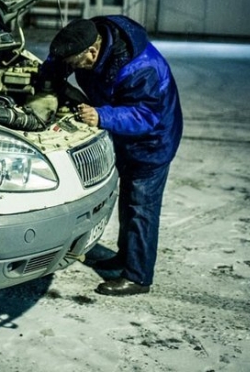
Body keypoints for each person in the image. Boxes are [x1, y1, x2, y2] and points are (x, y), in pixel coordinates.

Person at [41, 16, 182, 296]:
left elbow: (146, 115)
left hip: (152, 143)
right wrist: (46, 75)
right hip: (126, 138)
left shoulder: (141, 69)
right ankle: (124, 257)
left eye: (75, 64)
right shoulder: (87, 39)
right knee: (127, 200)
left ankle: (138, 277)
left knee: (141, 207)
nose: (70, 69)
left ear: (93, 53)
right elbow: (57, 62)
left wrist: (101, 115)